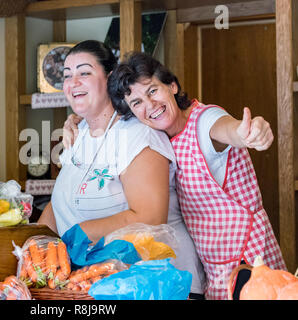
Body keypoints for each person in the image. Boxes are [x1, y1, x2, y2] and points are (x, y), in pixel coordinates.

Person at [63, 51, 286, 300]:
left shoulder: (204, 121)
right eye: (137, 103)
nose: (150, 106)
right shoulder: (161, 136)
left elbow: (228, 129)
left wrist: (248, 133)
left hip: (249, 262)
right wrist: (77, 120)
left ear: (172, 86)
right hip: (213, 266)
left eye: (152, 91)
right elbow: (104, 116)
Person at [38, 40, 206, 298]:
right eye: (67, 75)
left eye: (84, 72)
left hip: (160, 285)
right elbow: (61, 202)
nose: (73, 82)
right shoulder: (79, 131)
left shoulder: (138, 134)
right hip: (103, 284)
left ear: (110, 79)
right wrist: (36, 244)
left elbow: (150, 216)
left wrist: (78, 235)